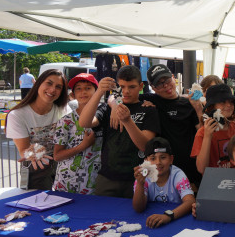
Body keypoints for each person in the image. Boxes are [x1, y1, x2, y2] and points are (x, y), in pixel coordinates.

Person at [79, 65, 159, 198]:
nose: (126, 91)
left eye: (131, 87)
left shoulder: (148, 109)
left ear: (140, 87)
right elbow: (84, 122)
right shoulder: (109, 107)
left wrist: (127, 121)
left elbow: (145, 146)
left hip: (139, 177)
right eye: (122, 87)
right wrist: (99, 92)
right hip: (107, 177)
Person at [139, 64, 203, 187]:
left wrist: (198, 109)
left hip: (191, 168)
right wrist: (115, 107)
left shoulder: (189, 104)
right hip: (164, 170)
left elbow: (201, 131)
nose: (166, 86)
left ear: (173, 78)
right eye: (159, 84)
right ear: (153, 88)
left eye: (168, 80)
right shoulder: (151, 100)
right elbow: (121, 97)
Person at [6, 69, 69, 190]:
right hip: (36, 166)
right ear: (38, 83)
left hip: (63, 164)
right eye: (49, 83)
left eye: (58, 87)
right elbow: (23, 150)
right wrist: (31, 153)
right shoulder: (17, 115)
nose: (52, 90)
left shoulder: (63, 109)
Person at [52, 73, 102, 194]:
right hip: (66, 183)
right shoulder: (65, 121)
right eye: (78, 88)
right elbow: (57, 155)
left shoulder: (105, 116)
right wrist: (82, 146)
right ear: (73, 95)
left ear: (97, 92)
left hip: (96, 183)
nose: (83, 92)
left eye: (88, 88)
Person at [132, 137, 195, 228]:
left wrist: (168, 216)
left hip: (176, 222)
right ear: (146, 161)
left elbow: (190, 201)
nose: (158, 162)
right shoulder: (143, 176)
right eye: (153, 158)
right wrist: (140, 184)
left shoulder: (177, 175)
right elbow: (138, 208)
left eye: (163, 157)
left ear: (171, 159)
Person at [191, 83, 235, 173]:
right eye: (222, 102)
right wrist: (207, 136)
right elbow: (201, 169)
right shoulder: (202, 133)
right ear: (211, 107)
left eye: (231, 101)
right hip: (213, 182)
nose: (228, 105)